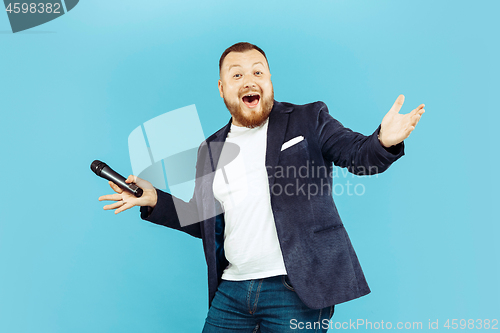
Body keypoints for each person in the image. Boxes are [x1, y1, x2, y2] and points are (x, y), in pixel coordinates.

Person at [98, 42, 425, 332]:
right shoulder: (210, 149)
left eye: (258, 71)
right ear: (222, 87)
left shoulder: (307, 119)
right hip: (232, 289)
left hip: (295, 290)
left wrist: (383, 140)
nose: (249, 79)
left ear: (269, 82)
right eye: (236, 75)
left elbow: (357, 154)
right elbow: (208, 222)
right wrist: (155, 199)